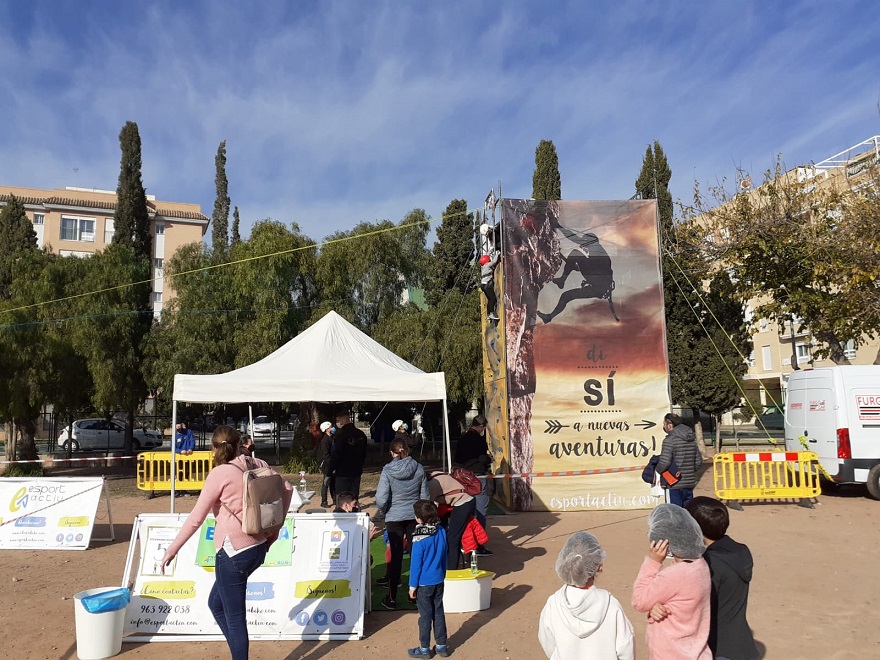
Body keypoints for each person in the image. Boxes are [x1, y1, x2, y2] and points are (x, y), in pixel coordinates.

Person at [160, 425, 293, 660]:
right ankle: (237, 653)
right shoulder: (256, 463)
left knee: (234, 618)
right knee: (216, 604)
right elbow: (287, 488)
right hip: (257, 547)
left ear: (213, 448)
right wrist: (273, 532)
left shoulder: (219, 474)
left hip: (233, 551)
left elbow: (195, 519)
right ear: (240, 444)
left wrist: (172, 550)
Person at [631, 503, 711, 660]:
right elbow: (676, 596)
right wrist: (653, 609)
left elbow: (638, 601)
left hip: (671, 654)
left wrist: (653, 562)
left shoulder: (672, 576)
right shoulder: (701, 565)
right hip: (697, 652)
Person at [538, 531, 635, 660]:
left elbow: (547, 643)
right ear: (599, 566)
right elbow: (626, 649)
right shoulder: (611, 606)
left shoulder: (553, 604)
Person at [686, 497, 759, 660]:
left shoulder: (708, 565)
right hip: (743, 645)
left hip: (718, 650)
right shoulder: (741, 551)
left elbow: (692, 609)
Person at [376, 438, 430, 610]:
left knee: (395, 556)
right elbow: (424, 496)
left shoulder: (387, 470)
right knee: (416, 555)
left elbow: (381, 498)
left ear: (392, 452)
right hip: (414, 515)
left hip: (394, 515)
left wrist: (384, 510)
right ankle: (414, 594)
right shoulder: (419, 468)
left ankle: (391, 597)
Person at [407, 499, 451, 658]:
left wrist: (412, 587)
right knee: (438, 612)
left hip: (423, 584)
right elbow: (445, 553)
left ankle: (424, 649)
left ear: (418, 519)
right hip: (439, 579)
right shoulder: (441, 531)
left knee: (425, 617)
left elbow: (415, 565)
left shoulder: (418, 538)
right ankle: (441, 646)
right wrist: (443, 573)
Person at [454, 414, 494, 553]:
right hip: (478, 476)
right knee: (481, 510)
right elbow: (482, 459)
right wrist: (489, 459)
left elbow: (457, 457)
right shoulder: (479, 440)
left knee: (466, 510)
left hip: (463, 478)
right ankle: (479, 545)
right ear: (482, 427)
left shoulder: (462, 438)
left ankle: (465, 543)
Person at [427, 470, 477, 570]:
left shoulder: (431, 485)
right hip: (461, 501)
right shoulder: (435, 475)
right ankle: (451, 561)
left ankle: (451, 569)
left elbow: (426, 506)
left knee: (453, 539)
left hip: (463, 503)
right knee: (450, 534)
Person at [656, 413, 703, 507]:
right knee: (687, 514)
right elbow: (698, 462)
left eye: (664, 423)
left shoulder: (669, 440)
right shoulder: (691, 439)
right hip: (689, 484)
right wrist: (688, 471)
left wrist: (657, 470)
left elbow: (664, 462)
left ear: (669, 425)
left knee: (673, 514)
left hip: (673, 484)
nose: (664, 426)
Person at [331, 412, 368, 499]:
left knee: (341, 498)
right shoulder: (361, 434)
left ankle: (342, 512)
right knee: (353, 498)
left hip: (343, 472)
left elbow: (336, 454)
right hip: (356, 471)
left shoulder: (341, 435)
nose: (338, 422)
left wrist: (332, 469)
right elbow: (364, 453)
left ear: (344, 420)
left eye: (338, 420)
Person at [317, 421, 336, 508]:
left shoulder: (332, 438)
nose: (332, 428)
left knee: (333, 482)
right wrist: (332, 464)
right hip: (327, 465)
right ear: (326, 429)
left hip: (332, 464)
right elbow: (326, 455)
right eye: (331, 427)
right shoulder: (325, 440)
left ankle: (335, 499)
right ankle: (323, 501)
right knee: (326, 482)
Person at [479, 251, 501, 320]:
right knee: (493, 299)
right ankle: (491, 313)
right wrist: (498, 254)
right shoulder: (488, 265)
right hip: (487, 285)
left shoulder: (484, 266)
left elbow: (485, 258)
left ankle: (489, 314)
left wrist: (490, 251)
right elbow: (494, 261)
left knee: (490, 299)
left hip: (483, 285)